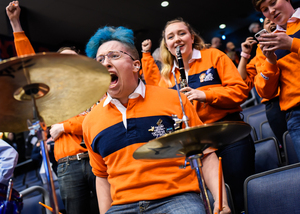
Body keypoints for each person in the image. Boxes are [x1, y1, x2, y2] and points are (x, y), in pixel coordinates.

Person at [84, 26, 230, 214]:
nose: (105, 63)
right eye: (100, 60)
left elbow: (207, 154)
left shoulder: (174, 99)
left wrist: (221, 201)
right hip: (123, 207)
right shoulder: (90, 121)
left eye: (114, 56)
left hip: (177, 198)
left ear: (136, 65)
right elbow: (102, 177)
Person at [141, 18, 254, 214]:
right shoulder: (167, 77)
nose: (176, 39)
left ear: (192, 37)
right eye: (171, 37)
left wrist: (205, 95)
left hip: (229, 136)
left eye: (181, 33)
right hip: (197, 146)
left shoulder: (213, 56)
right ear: (166, 44)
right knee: (210, 203)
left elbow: (240, 92)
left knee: (240, 197)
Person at [6, 2, 99, 213]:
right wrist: (15, 24)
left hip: (98, 158)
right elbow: (29, 64)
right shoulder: (50, 93)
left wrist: (64, 127)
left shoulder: (96, 87)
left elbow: (96, 120)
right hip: (67, 164)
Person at [252, 0, 300, 161]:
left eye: (273, 2)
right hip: (298, 116)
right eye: (264, 9)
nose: (271, 11)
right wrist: (270, 62)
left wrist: (292, 44)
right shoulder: (267, 43)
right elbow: (265, 91)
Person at [238, 17, 287, 146]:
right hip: (274, 104)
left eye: (273, 19)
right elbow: (242, 78)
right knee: (288, 145)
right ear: (262, 30)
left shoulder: (291, 38)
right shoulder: (260, 52)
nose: (271, 21)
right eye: (267, 21)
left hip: (296, 95)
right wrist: (245, 54)